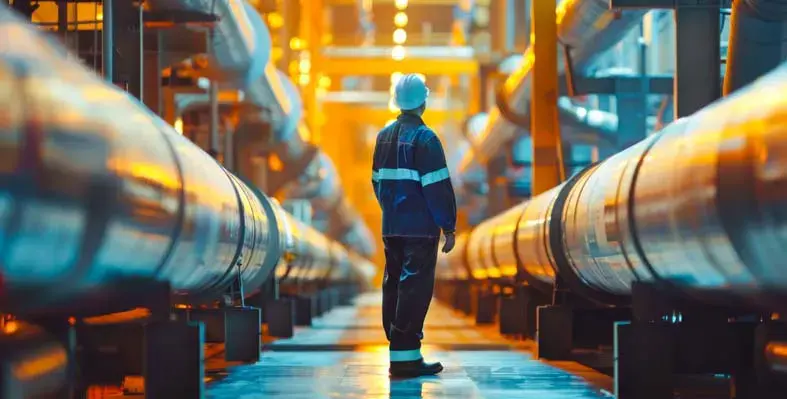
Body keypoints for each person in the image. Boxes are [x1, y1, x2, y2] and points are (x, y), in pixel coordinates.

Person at [371, 73, 457, 378]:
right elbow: (437, 188)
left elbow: (377, 182)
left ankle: (398, 347)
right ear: (423, 101)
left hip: (391, 225)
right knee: (415, 287)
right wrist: (448, 226)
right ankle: (406, 357)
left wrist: (391, 211)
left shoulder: (383, 137)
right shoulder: (426, 139)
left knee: (393, 283)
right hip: (420, 229)